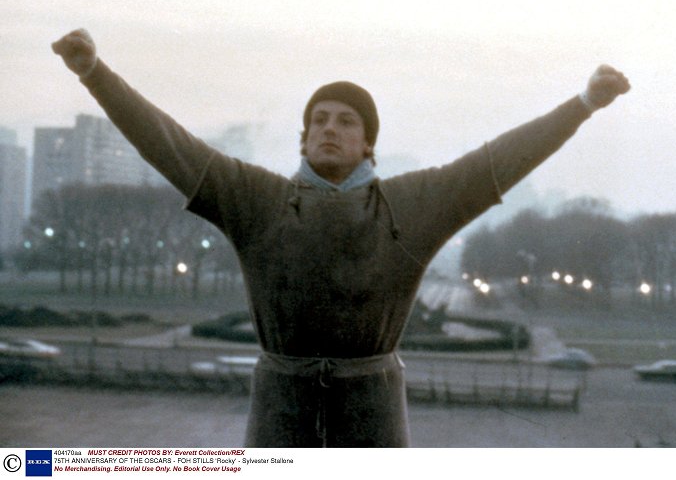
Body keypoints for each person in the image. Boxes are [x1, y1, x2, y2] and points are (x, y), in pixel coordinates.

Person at [52, 28, 630, 447]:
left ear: (368, 146)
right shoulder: (257, 201)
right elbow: (169, 144)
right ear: (303, 142)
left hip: (373, 420)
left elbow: (495, 164)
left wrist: (583, 105)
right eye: (319, 121)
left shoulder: (408, 206)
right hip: (279, 416)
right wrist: (94, 73)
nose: (330, 128)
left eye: (346, 121)